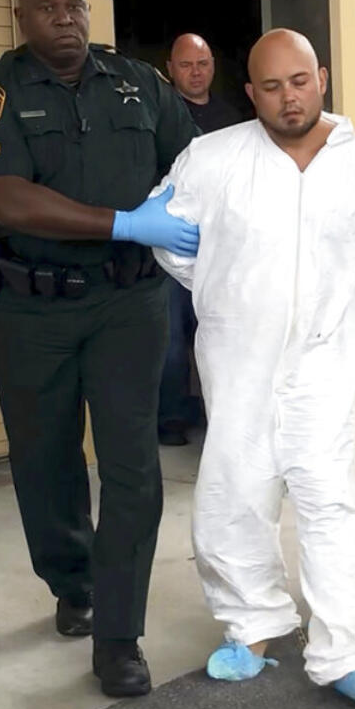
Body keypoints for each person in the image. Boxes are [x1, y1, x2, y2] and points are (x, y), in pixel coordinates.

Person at [0, 0, 200, 697]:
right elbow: (13, 202)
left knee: (133, 465)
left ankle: (119, 634)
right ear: (21, 16)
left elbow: (196, 167)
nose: (66, 17)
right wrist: (125, 221)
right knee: (46, 458)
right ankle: (72, 581)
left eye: (76, 4)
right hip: (32, 308)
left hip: (129, 303)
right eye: (49, 7)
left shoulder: (141, 83)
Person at [151, 29, 355, 707]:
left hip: (322, 360)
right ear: (251, 92)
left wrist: (354, 286)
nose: (287, 97)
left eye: (298, 81)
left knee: (331, 500)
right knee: (235, 487)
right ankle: (252, 625)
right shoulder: (212, 158)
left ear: (321, 76)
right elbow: (174, 243)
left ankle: (348, 652)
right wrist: (227, 296)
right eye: (270, 86)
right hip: (237, 358)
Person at [158, 33, 246, 446]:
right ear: (170, 68)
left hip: (222, 246)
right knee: (172, 341)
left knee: (221, 335)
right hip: (172, 245)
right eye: (187, 64)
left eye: (203, 63)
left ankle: (221, 419)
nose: (196, 72)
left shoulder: (233, 119)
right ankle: (172, 419)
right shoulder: (159, 114)